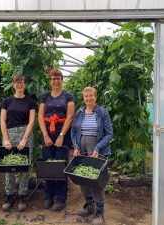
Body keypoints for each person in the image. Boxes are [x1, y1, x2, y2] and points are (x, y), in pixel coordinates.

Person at [71, 86, 113, 225]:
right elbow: (74, 132)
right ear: (83, 98)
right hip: (82, 147)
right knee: (82, 178)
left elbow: (109, 133)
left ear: (96, 97)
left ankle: (99, 211)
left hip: (96, 148)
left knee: (95, 179)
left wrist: (98, 147)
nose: (88, 99)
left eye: (91, 96)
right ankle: (89, 205)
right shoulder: (80, 112)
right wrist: (76, 147)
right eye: (86, 96)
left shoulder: (102, 112)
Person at [38, 67, 75, 211]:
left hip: (62, 134)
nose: (56, 81)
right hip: (47, 133)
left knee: (60, 166)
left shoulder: (68, 96)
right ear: (50, 81)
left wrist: (61, 136)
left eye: (58, 78)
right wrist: (46, 135)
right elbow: (40, 117)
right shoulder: (45, 97)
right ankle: (48, 195)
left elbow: (70, 116)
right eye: (53, 79)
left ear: (62, 80)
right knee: (48, 165)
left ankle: (61, 198)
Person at [0, 75, 37, 212]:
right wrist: (5, 139)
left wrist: (24, 139)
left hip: (25, 134)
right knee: (9, 164)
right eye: (17, 82)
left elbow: (31, 121)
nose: (19, 85)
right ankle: (9, 195)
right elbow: (3, 121)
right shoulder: (6, 101)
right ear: (13, 85)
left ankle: (22, 195)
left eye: (22, 82)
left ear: (25, 85)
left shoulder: (30, 102)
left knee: (24, 166)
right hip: (9, 134)